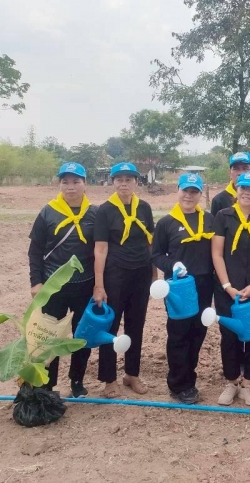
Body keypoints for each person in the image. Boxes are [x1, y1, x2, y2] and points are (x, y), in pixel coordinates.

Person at [27, 162, 97, 398]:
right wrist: (36, 282)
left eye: (76, 181)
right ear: (59, 185)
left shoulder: (95, 214)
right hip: (53, 286)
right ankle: (48, 383)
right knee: (49, 336)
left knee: (81, 335)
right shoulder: (48, 212)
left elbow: (101, 250)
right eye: (65, 182)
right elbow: (35, 250)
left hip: (85, 285)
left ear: (85, 184)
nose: (70, 187)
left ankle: (77, 380)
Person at [210, 151, 250, 383]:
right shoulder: (222, 215)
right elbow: (217, 253)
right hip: (228, 284)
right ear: (236, 190)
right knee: (229, 332)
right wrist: (227, 286)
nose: (247, 192)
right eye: (243, 188)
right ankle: (232, 378)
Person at [152, 173, 215, 405]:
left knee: (198, 332)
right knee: (179, 333)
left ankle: (190, 379)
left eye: (194, 191)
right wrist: (173, 265)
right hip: (178, 287)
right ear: (177, 190)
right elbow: (156, 255)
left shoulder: (209, 219)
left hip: (204, 284)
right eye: (185, 190)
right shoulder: (166, 223)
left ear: (200, 194)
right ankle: (178, 384)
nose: (189, 195)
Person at [93, 162, 155, 398]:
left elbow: (149, 242)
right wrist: (99, 285)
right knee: (110, 326)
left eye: (129, 179)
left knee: (135, 325)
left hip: (141, 274)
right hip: (115, 275)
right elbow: (100, 249)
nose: (124, 183)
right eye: (119, 179)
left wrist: (154, 273)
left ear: (136, 182)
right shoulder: (105, 210)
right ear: (112, 182)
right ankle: (109, 379)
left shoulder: (144, 208)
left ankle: (132, 373)